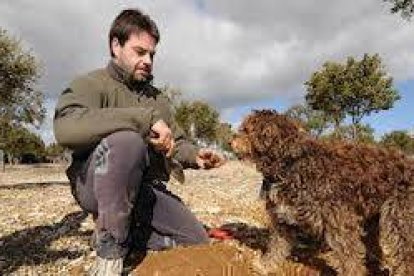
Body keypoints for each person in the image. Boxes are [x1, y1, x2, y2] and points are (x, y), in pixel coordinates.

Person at [53, 8, 224, 275]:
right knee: (127, 141)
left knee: (196, 240)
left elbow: (176, 143)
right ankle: (110, 253)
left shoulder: (158, 99)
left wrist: (195, 156)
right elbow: (66, 129)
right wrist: (143, 120)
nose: (148, 61)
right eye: (139, 51)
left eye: (152, 54)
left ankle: (125, 232)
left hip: (144, 188)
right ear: (115, 45)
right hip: (95, 185)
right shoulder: (90, 84)